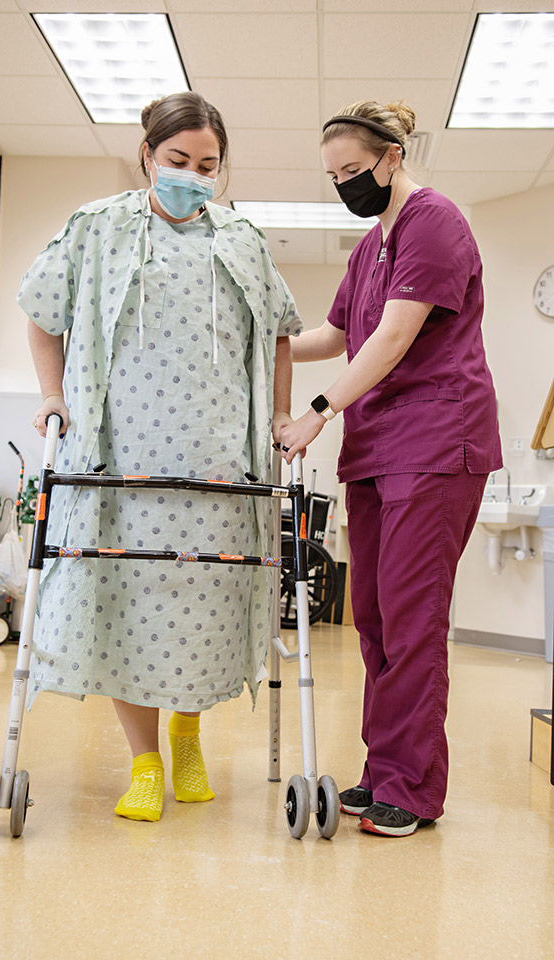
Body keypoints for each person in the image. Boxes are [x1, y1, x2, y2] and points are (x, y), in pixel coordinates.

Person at [18, 91, 301, 822]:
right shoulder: (98, 228)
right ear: (147, 155)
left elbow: (277, 331)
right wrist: (53, 395)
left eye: (209, 165)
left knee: (201, 602)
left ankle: (187, 732)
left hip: (215, 461)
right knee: (127, 602)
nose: (193, 175)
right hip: (120, 458)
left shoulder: (243, 240)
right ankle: (145, 762)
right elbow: (42, 314)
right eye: (178, 160)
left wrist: (275, 415)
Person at [280, 99, 502, 837]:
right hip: (377, 450)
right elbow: (337, 334)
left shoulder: (434, 223)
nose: (346, 183)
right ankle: (383, 770)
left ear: (392, 156)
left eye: (353, 169)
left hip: (438, 444)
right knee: (372, 619)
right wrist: (261, 337)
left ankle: (412, 786)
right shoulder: (366, 249)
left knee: (410, 621)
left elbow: (393, 338)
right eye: (334, 175)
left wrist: (317, 409)